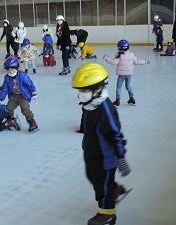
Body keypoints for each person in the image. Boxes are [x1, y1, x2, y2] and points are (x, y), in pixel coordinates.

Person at [71, 62, 131, 225]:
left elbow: (115, 135)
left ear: (98, 88)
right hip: (92, 153)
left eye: (84, 90)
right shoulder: (90, 104)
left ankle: (107, 214)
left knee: (101, 189)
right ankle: (114, 189)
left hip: (105, 159)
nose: (81, 94)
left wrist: (121, 157)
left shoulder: (106, 110)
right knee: (93, 178)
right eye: (80, 90)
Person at [0, 57, 39, 132]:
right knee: (8, 109)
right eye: (8, 70)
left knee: (25, 109)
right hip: (14, 95)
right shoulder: (7, 78)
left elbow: (30, 84)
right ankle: (11, 121)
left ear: (17, 68)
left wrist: (34, 94)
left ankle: (32, 123)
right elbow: (4, 88)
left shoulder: (22, 75)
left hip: (23, 95)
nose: (10, 72)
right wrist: (0, 99)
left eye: (12, 69)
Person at [103, 39, 149, 106]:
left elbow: (113, 62)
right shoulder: (131, 55)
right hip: (129, 74)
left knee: (119, 87)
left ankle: (118, 100)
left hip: (121, 75)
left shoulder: (119, 55)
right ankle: (132, 97)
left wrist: (106, 58)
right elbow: (137, 62)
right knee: (128, 86)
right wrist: (145, 61)